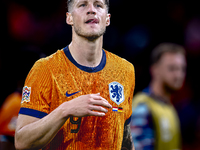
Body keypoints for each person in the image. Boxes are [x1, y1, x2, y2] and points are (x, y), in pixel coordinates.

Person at [15, 0, 135, 150]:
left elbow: (125, 137)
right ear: (69, 18)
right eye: (83, 5)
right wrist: (65, 110)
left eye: (98, 5)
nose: (92, 10)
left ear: (107, 19)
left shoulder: (125, 69)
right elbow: (22, 142)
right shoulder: (46, 69)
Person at [130, 43, 186, 150]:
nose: (178, 75)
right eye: (172, 68)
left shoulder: (168, 107)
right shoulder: (143, 108)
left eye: (182, 69)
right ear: (155, 70)